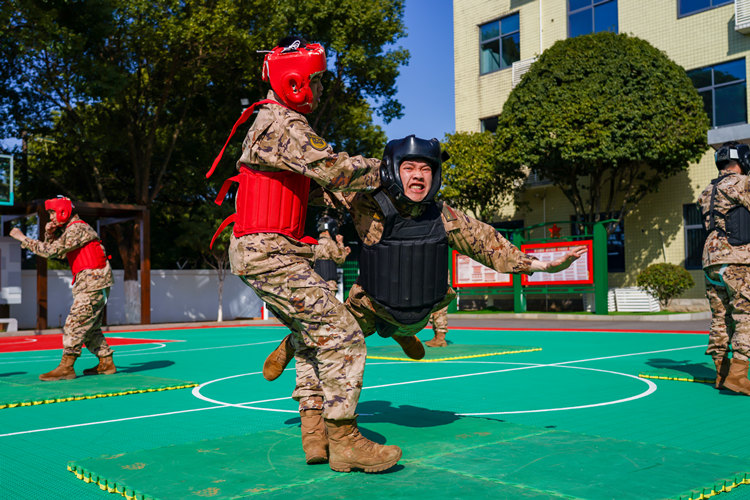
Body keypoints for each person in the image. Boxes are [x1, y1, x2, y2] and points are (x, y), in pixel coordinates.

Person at [264, 135, 586, 451]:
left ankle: (401, 332)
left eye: (426, 169)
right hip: (370, 306)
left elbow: (490, 244)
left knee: (402, 321)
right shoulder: (365, 201)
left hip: (419, 312)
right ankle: (312, 422)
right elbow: (316, 187)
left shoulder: (444, 216)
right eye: (409, 167)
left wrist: (545, 265)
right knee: (317, 335)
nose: (418, 175)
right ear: (392, 169)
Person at [207, 36, 401, 473]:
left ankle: (315, 432)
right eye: (313, 78)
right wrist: (387, 168)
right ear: (294, 79)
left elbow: (308, 188)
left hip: (276, 250)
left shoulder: (275, 122)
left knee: (317, 337)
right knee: (344, 334)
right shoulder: (282, 124)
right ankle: (345, 438)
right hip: (268, 252)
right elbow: (334, 169)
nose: (315, 86)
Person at [9, 196, 116, 381]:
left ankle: (67, 367)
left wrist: (22, 237)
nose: (51, 217)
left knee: (74, 324)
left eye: (51, 213)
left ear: (63, 211)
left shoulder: (77, 228)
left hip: (93, 283)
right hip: (93, 283)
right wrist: (49, 233)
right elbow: (54, 250)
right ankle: (106, 362)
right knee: (89, 328)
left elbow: (51, 251)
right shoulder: (72, 230)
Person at [698, 141, 750, 395]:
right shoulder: (742, 183)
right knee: (745, 316)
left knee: (720, 317)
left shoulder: (707, 191)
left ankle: (721, 372)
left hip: (711, 261)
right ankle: (738, 376)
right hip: (737, 259)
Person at [313, 215, 350, 293]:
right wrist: (341, 244)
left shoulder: (314, 243)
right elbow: (340, 260)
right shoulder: (330, 243)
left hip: (316, 283)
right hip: (329, 284)